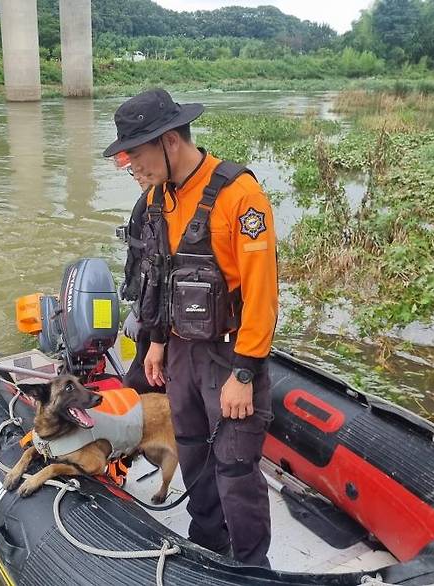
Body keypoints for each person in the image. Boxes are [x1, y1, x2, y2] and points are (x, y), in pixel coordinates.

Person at [103, 88, 278, 566]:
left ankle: (250, 565)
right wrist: (156, 342)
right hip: (179, 351)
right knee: (195, 453)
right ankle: (208, 544)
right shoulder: (158, 198)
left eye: (136, 156)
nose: (132, 168)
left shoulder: (240, 195)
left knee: (236, 468)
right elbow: (159, 277)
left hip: (229, 356)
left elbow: (262, 295)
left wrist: (244, 374)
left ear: (170, 141)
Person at [114, 152, 166, 394]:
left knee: (139, 383)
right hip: (150, 312)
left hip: (158, 319)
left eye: (138, 171)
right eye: (132, 171)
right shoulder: (150, 200)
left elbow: (162, 270)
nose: (136, 177)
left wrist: (139, 313)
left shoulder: (163, 202)